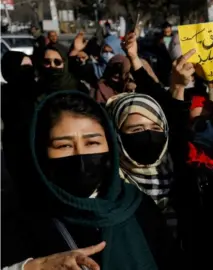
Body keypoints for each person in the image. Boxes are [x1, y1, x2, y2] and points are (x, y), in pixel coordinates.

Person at [1, 91, 178, 270]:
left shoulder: (138, 205)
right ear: (41, 152)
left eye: (92, 143)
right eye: (64, 146)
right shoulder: (25, 220)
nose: (80, 155)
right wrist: (34, 267)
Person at [106, 93, 176, 230]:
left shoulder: (181, 176)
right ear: (116, 135)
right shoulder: (108, 186)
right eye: (137, 129)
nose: (149, 135)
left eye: (156, 128)